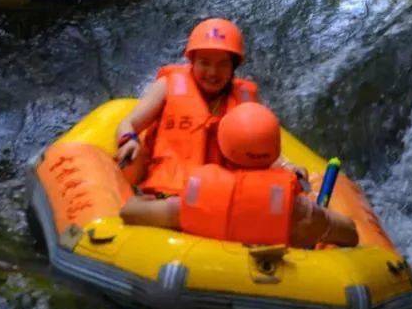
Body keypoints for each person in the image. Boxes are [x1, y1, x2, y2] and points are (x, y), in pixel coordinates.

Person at [120, 102, 358, 249]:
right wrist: (321, 219)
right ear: (274, 152)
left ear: (224, 150)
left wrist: (145, 200)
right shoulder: (297, 210)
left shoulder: (196, 200)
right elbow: (350, 234)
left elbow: (129, 213)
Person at [114, 18, 258, 195]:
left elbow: (261, 149)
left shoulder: (244, 100)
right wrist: (128, 140)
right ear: (193, 61)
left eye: (223, 64)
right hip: (164, 193)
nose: (213, 72)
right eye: (205, 63)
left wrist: (286, 166)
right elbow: (129, 123)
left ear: (233, 66)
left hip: (218, 197)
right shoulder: (167, 86)